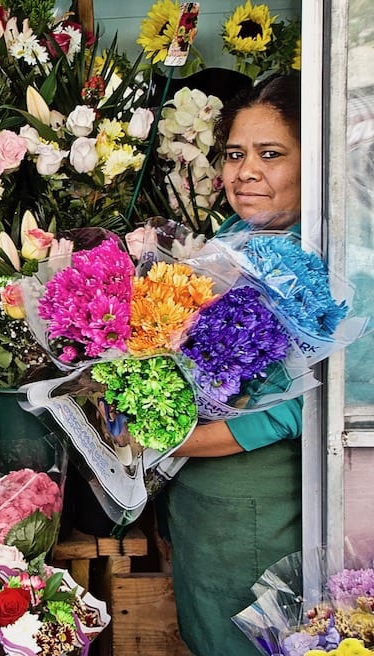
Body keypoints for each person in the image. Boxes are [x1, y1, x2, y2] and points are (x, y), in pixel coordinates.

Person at [164, 74, 303, 656]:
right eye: (235, 154)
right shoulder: (236, 234)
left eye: (270, 155)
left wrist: (162, 437)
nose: (245, 172)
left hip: (253, 500)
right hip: (196, 494)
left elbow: (290, 410)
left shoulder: (319, 260)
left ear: (313, 162)